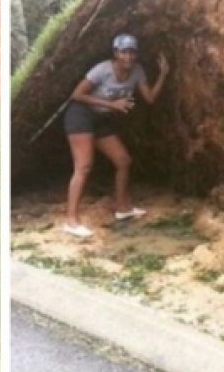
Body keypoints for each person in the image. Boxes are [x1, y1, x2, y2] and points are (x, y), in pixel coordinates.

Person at [61, 33, 169, 238]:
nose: (128, 57)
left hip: (101, 120)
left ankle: (122, 208)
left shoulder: (137, 71)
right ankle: (71, 221)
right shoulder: (102, 70)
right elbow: (77, 95)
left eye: (131, 52)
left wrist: (163, 74)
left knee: (123, 160)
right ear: (115, 53)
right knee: (83, 166)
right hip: (80, 115)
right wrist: (112, 104)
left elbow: (150, 98)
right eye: (123, 52)